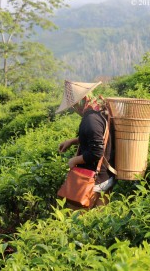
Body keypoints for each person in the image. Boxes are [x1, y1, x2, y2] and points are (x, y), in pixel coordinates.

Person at [56, 80, 115, 208]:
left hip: (94, 181)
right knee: (100, 222)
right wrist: (73, 141)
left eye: (73, 106)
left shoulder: (90, 120)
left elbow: (96, 152)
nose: (74, 109)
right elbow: (98, 137)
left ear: (79, 103)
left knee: (78, 218)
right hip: (105, 177)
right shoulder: (100, 111)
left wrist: (74, 160)